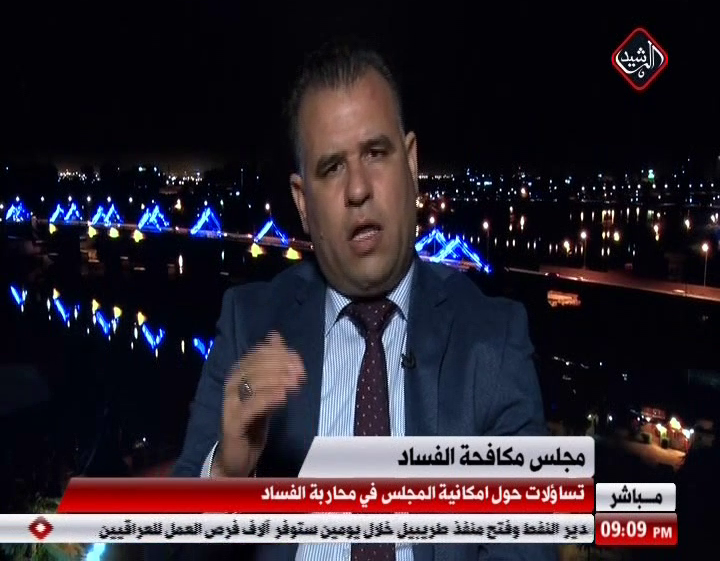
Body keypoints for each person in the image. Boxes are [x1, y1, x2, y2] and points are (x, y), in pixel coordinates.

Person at [170, 40, 556, 561]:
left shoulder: (494, 338)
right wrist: (227, 474)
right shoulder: (248, 325)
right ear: (303, 203)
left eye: (375, 153)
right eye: (331, 167)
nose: (357, 189)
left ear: (412, 164)